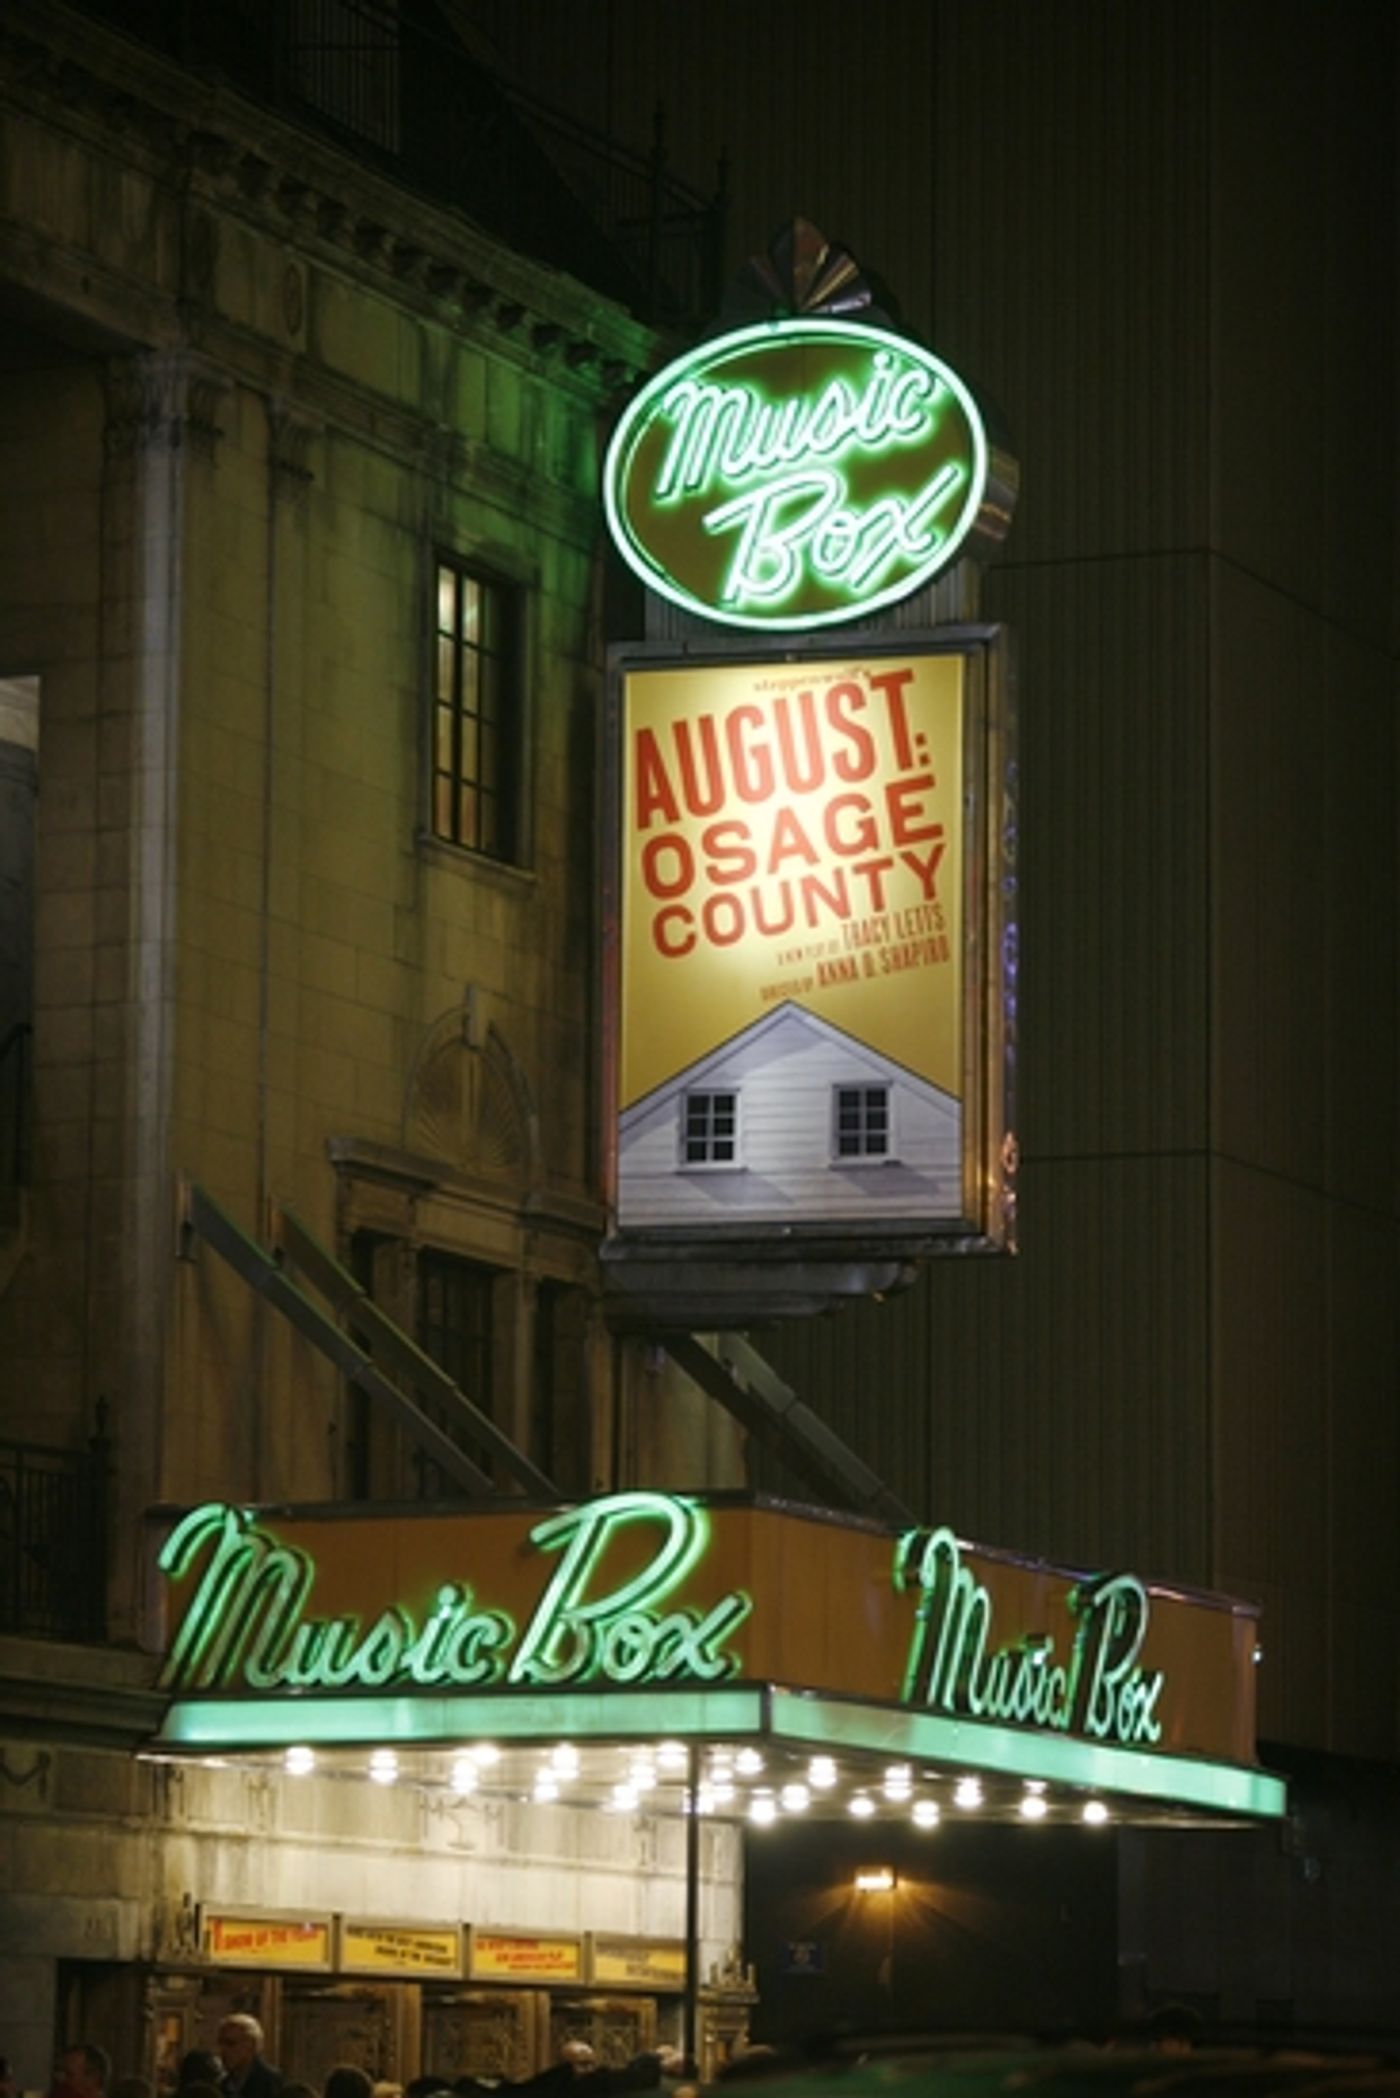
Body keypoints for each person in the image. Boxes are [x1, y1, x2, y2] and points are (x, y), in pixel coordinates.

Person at [216, 2020, 280, 2098]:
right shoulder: (223, 2084)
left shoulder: (271, 2082)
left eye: (230, 2043)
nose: (223, 2050)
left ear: (251, 2045)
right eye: (220, 2044)